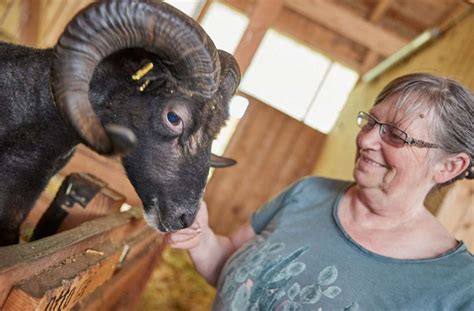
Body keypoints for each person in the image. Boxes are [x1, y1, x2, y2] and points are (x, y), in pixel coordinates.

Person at [166, 73, 474, 310]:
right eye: (370, 122)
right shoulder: (309, 193)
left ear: (449, 167)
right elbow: (228, 267)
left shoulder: (458, 286)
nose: (366, 140)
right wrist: (201, 237)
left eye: (395, 135)